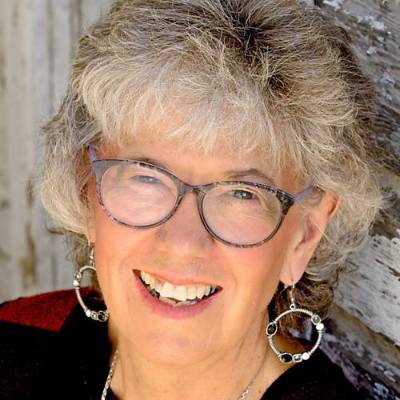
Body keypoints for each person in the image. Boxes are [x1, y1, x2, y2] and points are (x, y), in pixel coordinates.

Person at [0, 0, 383, 399]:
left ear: (305, 234)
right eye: (147, 177)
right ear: (87, 189)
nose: (183, 242)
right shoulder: (15, 341)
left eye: (241, 194)